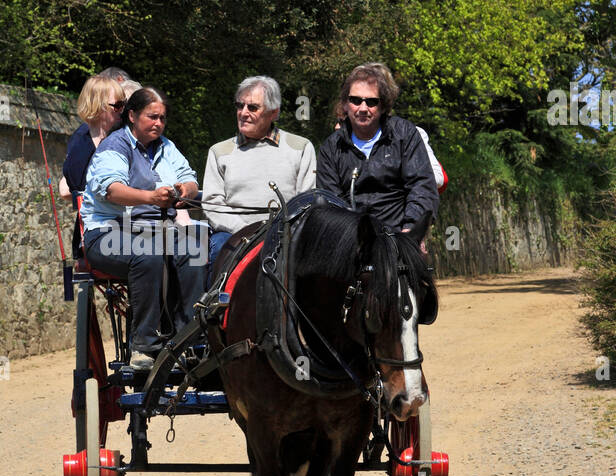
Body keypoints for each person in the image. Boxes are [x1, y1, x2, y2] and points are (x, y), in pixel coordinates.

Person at [81, 87, 207, 370]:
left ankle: (188, 341)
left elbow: (190, 180)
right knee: (148, 254)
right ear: (132, 116)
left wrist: (183, 188)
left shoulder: (167, 147)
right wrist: (152, 197)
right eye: (152, 117)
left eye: (162, 118)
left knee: (196, 249)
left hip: (156, 231)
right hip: (107, 233)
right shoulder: (115, 146)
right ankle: (144, 347)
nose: (158, 124)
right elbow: (112, 191)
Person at [315, 62, 439, 250]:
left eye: (371, 102)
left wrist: (412, 230)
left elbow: (421, 186)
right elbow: (330, 203)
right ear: (345, 105)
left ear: (383, 105)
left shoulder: (405, 134)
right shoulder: (331, 148)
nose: (363, 108)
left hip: (399, 237)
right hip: (351, 241)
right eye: (355, 100)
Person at [201, 75, 316, 270]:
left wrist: (281, 232)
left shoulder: (300, 148)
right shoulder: (219, 152)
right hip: (233, 235)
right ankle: (217, 301)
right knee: (219, 248)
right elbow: (212, 204)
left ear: (274, 113)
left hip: (285, 235)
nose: (243, 113)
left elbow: (307, 201)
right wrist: (244, 231)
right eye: (240, 106)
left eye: (252, 107)